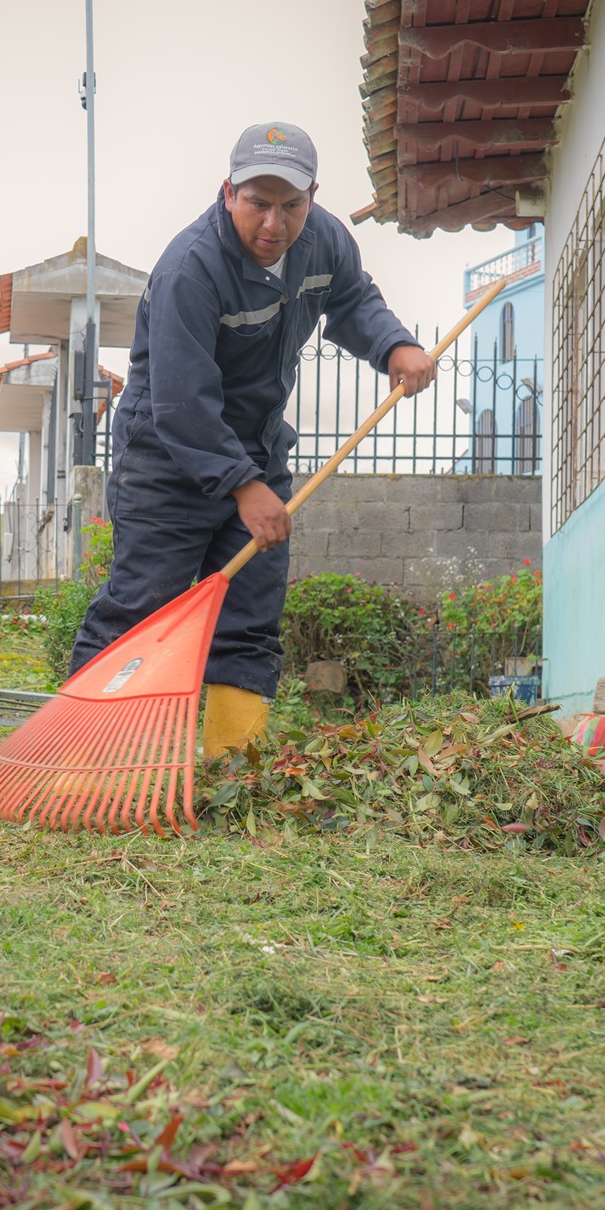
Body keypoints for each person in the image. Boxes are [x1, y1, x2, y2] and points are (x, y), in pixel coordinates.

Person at [69, 122, 437, 755]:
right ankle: (87, 753)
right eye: (258, 203)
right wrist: (243, 488)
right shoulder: (191, 269)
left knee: (249, 614)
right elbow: (183, 403)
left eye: (291, 205)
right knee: (142, 605)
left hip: (258, 450)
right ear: (228, 191)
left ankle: (230, 768)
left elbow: (351, 299)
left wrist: (394, 345)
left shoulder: (323, 241)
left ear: (312, 198)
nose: (274, 223)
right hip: (165, 455)